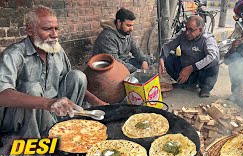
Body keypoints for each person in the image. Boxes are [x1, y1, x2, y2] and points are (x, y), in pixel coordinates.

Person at [0, 6, 106, 145]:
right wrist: (48, 103)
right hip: (22, 120)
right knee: (32, 88)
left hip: (54, 112)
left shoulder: (57, 50)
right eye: (47, 29)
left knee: (78, 76)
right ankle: (36, 146)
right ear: (29, 30)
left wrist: (98, 103)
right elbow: (2, 95)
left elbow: (71, 81)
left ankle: (65, 129)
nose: (55, 34)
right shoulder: (13, 54)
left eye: (56, 28)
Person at [158, 16, 220, 98]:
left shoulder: (207, 39)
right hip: (185, 67)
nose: (187, 32)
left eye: (191, 30)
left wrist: (192, 68)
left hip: (199, 71)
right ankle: (184, 83)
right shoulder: (183, 34)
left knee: (214, 62)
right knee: (168, 59)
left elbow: (212, 56)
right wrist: (162, 59)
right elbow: (167, 46)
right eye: (186, 28)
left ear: (200, 30)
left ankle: (205, 88)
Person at [92, 8, 150, 73]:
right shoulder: (107, 37)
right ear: (119, 22)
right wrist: (136, 71)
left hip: (125, 62)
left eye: (132, 25)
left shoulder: (126, 32)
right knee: (139, 72)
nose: (131, 29)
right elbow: (115, 61)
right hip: (109, 68)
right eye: (128, 25)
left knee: (148, 61)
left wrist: (144, 61)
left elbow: (136, 49)